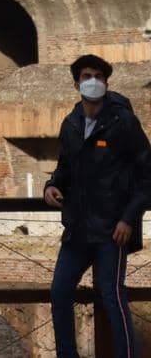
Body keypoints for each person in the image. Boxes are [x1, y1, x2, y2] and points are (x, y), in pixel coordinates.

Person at [43, 53, 151, 358]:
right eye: (87, 76)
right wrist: (50, 186)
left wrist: (128, 218)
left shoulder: (124, 122)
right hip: (76, 228)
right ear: (76, 82)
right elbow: (65, 167)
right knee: (60, 292)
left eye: (99, 76)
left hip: (112, 230)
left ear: (106, 81)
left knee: (112, 296)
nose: (93, 81)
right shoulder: (71, 123)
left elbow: (147, 177)